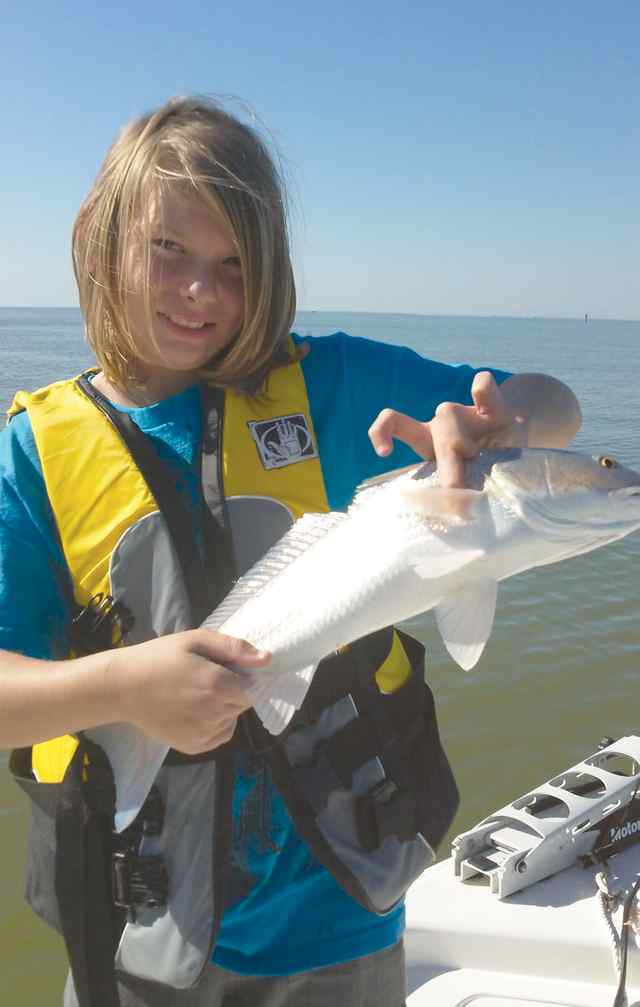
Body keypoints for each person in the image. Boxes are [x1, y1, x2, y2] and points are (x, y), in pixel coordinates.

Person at [0, 96, 581, 1007]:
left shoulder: (339, 386)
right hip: (135, 943)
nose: (203, 292)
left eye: (235, 263)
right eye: (169, 251)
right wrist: (123, 689)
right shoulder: (31, 454)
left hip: (342, 921)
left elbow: (556, 403)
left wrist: (504, 418)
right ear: (101, 239)